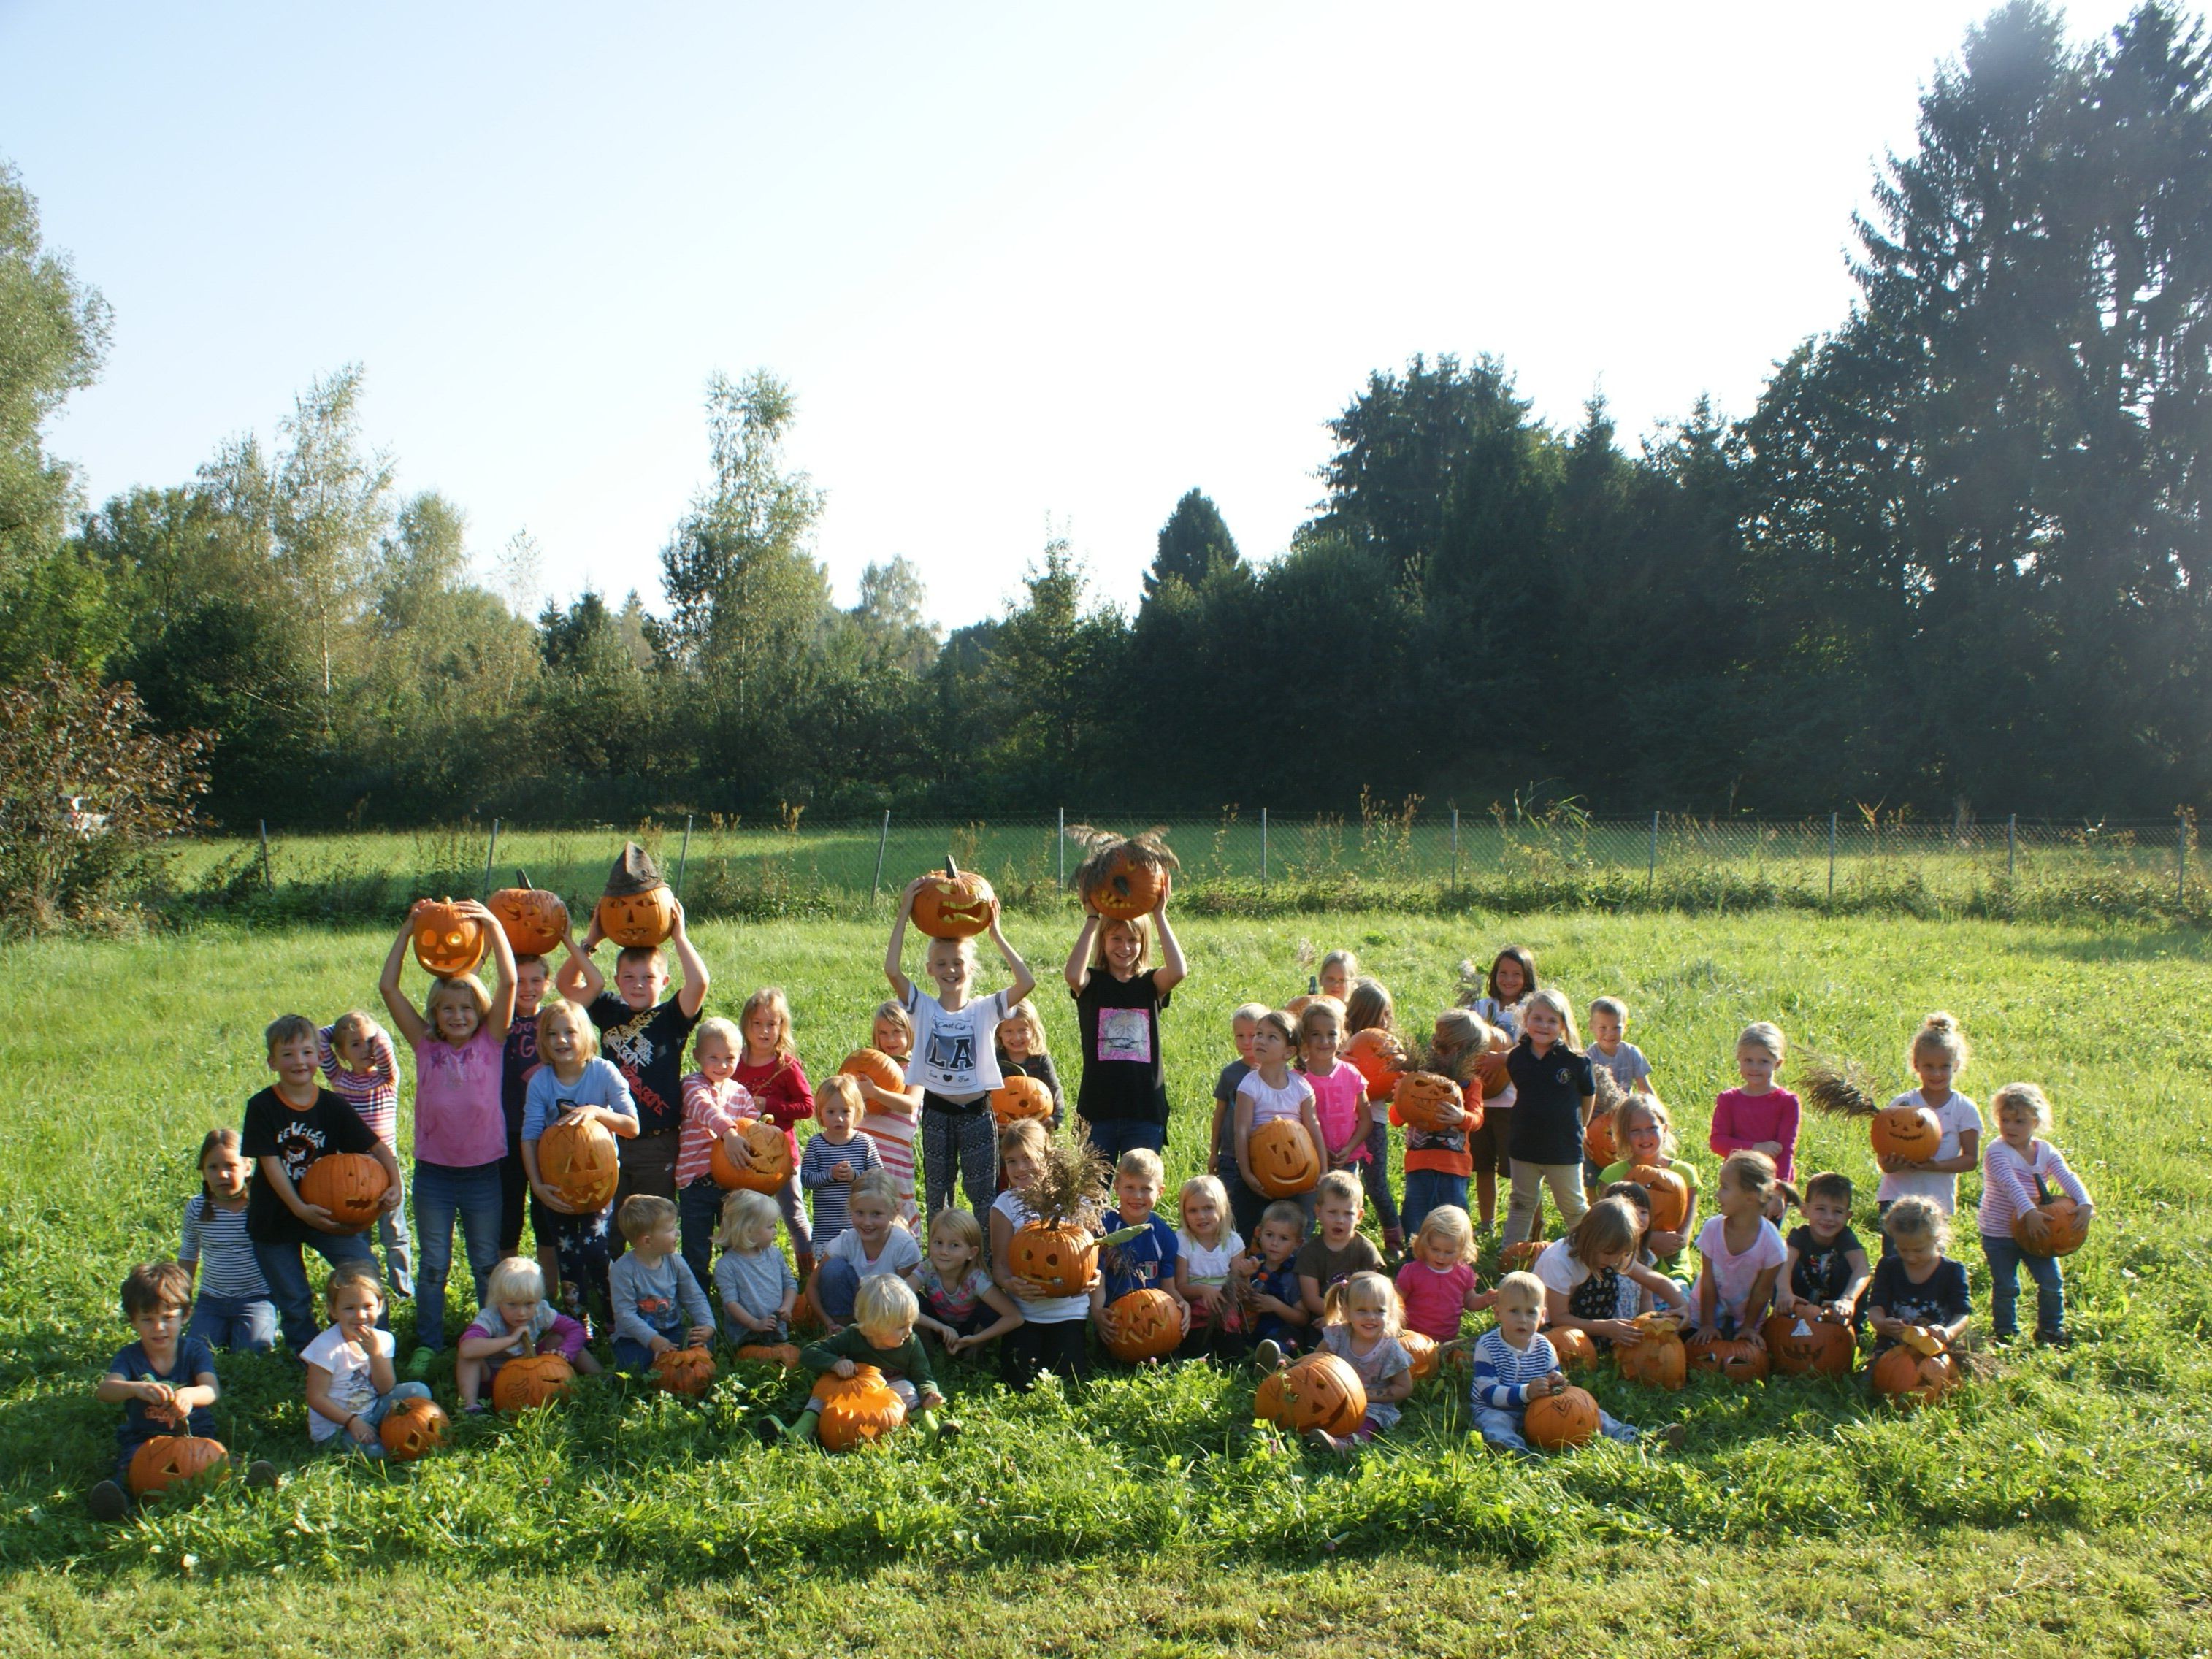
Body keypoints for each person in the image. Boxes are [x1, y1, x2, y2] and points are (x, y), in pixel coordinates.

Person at [378, 898, 517, 1368]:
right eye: (447, 1009)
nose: (457, 1016)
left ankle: (490, 1341)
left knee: (484, 1263)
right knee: (434, 1265)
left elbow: (510, 981)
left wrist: (494, 925)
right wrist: (408, 926)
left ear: (479, 1012)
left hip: (482, 1174)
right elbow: (388, 987)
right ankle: (429, 1342)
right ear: (434, 1014)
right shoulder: (424, 1043)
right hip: (435, 1174)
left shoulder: (491, 1041)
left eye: (465, 1008)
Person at [558, 844, 711, 1224]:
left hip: (658, 1140)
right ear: (616, 981)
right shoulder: (608, 1009)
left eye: (648, 978)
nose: (638, 985)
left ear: (665, 981)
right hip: (609, 1133)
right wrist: (593, 939)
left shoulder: (672, 1017)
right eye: (628, 977)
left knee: (655, 1223)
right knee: (610, 1223)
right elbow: (567, 986)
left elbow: (700, 982)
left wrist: (679, 936)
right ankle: (613, 1281)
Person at [242, 1014, 405, 1354]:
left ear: (319, 1056)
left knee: (362, 1269)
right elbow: (271, 1165)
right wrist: (299, 1209)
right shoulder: (262, 1107)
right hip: (276, 1215)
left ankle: (370, 1348)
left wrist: (395, 1183)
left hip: (329, 1212)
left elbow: (376, 1146)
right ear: (272, 1062)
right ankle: (309, 1358)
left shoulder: (333, 1105)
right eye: (287, 1054)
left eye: (306, 1052)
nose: (299, 1061)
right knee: (294, 1296)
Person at [887, 875, 1036, 1235]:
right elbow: (892, 970)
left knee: (982, 1194)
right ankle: (941, 1264)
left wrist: (996, 934)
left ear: (969, 968)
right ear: (930, 970)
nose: (950, 970)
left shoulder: (985, 1009)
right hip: (937, 1111)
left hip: (976, 1113)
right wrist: (905, 913)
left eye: (957, 963)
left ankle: (983, 1263)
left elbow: (1026, 982)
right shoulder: (921, 1006)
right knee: (938, 1194)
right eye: (941, 964)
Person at [87, 1262, 272, 1522]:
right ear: (133, 1320)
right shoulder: (129, 1357)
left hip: (196, 1437)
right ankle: (118, 1501)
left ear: (185, 1316)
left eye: (168, 1318)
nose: (159, 1328)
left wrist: (188, 1395)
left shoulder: (193, 1350)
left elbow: (211, 1390)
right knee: (131, 1467)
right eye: (148, 1320)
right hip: (146, 1439)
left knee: (221, 1462)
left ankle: (250, 1482)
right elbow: (105, 1390)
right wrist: (136, 1388)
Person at [520, 999, 639, 1330]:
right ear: (543, 1041)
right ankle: (577, 1324)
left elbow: (632, 1126)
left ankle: (617, 1319)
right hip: (555, 1183)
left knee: (598, 1251)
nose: (561, 1040)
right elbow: (529, 1136)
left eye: (569, 1032)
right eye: (552, 1034)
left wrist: (597, 1112)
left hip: (597, 1182)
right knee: (567, 1255)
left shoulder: (603, 1072)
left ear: (585, 1034)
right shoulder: (541, 1082)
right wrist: (538, 1186)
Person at [1471, 1271, 1679, 1455]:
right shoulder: (1488, 1346)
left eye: (1531, 1312)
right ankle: (1510, 1449)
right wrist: (1526, 1392)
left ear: (1542, 1316)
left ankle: (1636, 1437)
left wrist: (1558, 1381)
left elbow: (1556, 1380)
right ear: (1498, 1313)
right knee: (1495, 1422)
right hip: (1497, 1407)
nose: (1523, 1319)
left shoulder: (1544, 1346)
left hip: (1537, 1407)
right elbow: (1488, 1393)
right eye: (1514, 1311)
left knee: (1592, 1411)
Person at [1063, 880, 1187, 1163]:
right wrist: (1092, 919)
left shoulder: (1150, 983)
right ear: (1103, 942)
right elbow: (1072, 974)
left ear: (1143, 944)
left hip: (1144, 1111)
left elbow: (1179, 971)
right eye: (1116, 939)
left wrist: (1159, 915)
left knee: (1140, 1191)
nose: (1125, 947)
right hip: (1097, 1111)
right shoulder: (1092, 983)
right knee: (1091, 1199)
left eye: (1133, 940)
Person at [497, 929, 597, 1257]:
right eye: (519, 981)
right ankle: (508, 1288)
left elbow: (595, 984)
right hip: (509, 1129)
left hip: (552, 1133)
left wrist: (573, 940)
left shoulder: (554, 1020)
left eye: (535, 981)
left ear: (548, 983)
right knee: (508, 1214)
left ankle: (549, 1294)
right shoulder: (498, 1019)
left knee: (547, 1217)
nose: (528, 989)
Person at [764, 1274, 957, 1444]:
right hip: (853, 1391)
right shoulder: (853, 1336)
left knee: (908, 1388)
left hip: (890, 1394)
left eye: (910, 1324)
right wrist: (835, 1363)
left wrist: (929, 1393)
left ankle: (933, 1432)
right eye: (901, 1326)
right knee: (824, 1388)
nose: (908, 1331)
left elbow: (923, 1375)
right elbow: (809, 1353)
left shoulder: (911, 1343)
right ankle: (797, 1433)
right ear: (875, 1326)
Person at [1978, 1082, 2092, 1346]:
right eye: (2005, 1120)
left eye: (2019, 1121)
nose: (2011, 1127)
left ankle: (2051, 1331)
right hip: (2000, 1233)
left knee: (2052, 1281)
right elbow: (2010, 1184)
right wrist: (2028, 1211)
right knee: (2007, 1286)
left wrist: (2084, 1202)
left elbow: (2066, 1176)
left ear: (2035, 1121)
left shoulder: (2045, 1151)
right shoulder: (1997, 1151)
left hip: (2040, 1231)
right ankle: (2006, 1334)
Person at [990, 1119, 1093, 1389]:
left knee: (1069, 1381)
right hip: (1024, 1311)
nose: (1020, 1169)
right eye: (1011, 1161)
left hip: (1069, 1310)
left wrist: (1094, 1278)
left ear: (1047, 1155)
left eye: (1028, 1158)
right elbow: (999, 1266)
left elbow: (1091, 1259)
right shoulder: (1005, 1205)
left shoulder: (1075, 1202)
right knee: (1018, 1381)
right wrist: (1010, 1283)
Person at [316, 1011, 414, 1297]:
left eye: (371, 1042)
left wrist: (373, 1030)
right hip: (351, 1176)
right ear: (341, 1052)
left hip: (385, 1171)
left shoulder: (387, 1079)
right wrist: (338, 1029)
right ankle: (366, 1288)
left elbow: (385, 1049)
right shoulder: (339, 1078)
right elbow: (320, 1040)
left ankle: (403, 1290)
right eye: (356, 1045)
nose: (367, 1050)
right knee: (359, 1237)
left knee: (394, 1234)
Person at [1877, 1012, 1983, 1250]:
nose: (1936, 1074)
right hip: (1897, 1198)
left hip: (1936, 1201)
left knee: (1930, 1262)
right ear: (1916, 1065)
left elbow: (1970, 1159)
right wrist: (1897, 1163)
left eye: (1944, 1067)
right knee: (1894, 1261)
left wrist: (1936, 1167)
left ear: (1956, 1066)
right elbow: (1884, 1162)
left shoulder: (1964, 1109)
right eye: (1929, 1067)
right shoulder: (1903, 1105)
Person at [304, 1265, 435, 1457]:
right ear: (333, 1311)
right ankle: (370, 1441)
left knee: (420, 1391)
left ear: (380, 1306)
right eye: (349, 1308)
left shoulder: (383, 1339)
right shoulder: (326, 1347)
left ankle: (387, 1431)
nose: (360, 1315)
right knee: (379, 1453)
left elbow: (385, 1388)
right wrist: (352, 1422)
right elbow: (316, 1398)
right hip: (338, 1426)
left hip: (373, 1410)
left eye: (368, 1306)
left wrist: (376, 1354)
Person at [1501, 989, 1595, 1249]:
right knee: (1521, 1203)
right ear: (1526, 1019)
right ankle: (1510, 1257)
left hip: (1563, 1147)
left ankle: (1593, 1255)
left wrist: (1582, 1126)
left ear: (1563, 1025)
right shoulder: (1517, 1057)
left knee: (1574, 1207)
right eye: (1537, 1018)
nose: (1544, 1025)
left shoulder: (1576, 1061)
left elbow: (1588, 1095)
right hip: (1524, 1144)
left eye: (1552, 1020)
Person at [730, 988, 816, 1273]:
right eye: (757, 1023)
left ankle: (808, 1271)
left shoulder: (786, 1066)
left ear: (782, 1027)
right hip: (743, 1156)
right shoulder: (735, 1062)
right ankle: (747, 1269)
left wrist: (771, 1104)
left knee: (793, 1213)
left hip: (780, 1157)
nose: (764, 1031)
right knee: (745, 1214)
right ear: (746, 1025)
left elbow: (807, 1106)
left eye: (772, 1024)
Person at [1536, 1195, 1691, 1351]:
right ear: (1590, 1239)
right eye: (1610, 1253)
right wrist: (1605, 1328)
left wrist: (1681, 1305)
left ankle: (1600, 1340)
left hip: (1588, 1319)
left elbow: (1656, 1282)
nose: (1615, 1260)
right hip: (1550, 1327)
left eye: (1623, 1254)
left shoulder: (1613, 1253)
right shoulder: (1559, 1261)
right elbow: (1558, 1318)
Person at [675, 1016, 757, 1290]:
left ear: (741, 1056)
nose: (722, 1066)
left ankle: (731, 1292)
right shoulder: (692, 1085)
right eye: (713, 1057)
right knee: (696, 1246)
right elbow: (704, 1109)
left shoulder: (741, 1093)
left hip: (732, 1184)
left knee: (733, 1243)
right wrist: (729, 1133)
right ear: (697, 1055)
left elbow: (754, 1129)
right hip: (696, 1183)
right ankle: (695, 1295)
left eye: (729, 1058)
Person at [177, 1128, 277, 1353]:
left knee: (253, 1352)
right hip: (211, 1300)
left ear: (247, 1167)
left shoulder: (259, 1206)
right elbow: (188, 1255)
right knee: (197, 1351)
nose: (222, 1175)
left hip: (255, 1297)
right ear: (203, 1172)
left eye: (231, 1166)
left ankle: (262, 1325)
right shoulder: (196, 1208)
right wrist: (181, 1297)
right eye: (213, 1167)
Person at [455, 1256, 598, 1411]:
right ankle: (470, 1407)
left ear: (537, 1300)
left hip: (532, 1370)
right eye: (512, 1304)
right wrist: (510, 1339)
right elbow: (467, 1348)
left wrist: (565, 1353)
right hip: (493, 1377)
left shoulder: (540, 1311)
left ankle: (601, 1378)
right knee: (469, 1357)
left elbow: (575, 1330)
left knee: (559, 1338)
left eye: (529, 1304)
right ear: (498, 1300)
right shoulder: (490, 1317)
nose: (522, 1313)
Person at [1293, 1271, 1415, 1453]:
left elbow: (1404, 1388)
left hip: (1370, 1405)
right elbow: (1314, 1362)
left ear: (1390, 1313)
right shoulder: (1337, 1335)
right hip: (1333, 1396)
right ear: (1347, 1311)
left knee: (1366, 1425)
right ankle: (1282, 1371)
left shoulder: (1390, 1349)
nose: (1371, 1317)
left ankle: (1347, 1446)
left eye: (1379, 1310)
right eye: (1362, 1310)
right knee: (1307, 1407)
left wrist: (1364, 1395)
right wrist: (1297, 1368)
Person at [1404, 1008, 1496, 1237]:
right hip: (1419, 1162)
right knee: (1416, 1214)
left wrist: (1461, 1117)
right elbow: (1397, 1118)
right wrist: (1401, 1098)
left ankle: (1453, 1260)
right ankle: (1414, 1257)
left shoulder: (1470, 1084)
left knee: (1452, 1217)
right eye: (1441, 1047)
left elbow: (1477, 1118)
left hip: (1454, 1166)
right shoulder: (1420, 1078)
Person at [1299, 999, 1381, 1250]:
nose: (1324, 1042)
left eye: (1331, 1034)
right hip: (1311, 1162)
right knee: (1309, 1217)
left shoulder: (1351, 1074)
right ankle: (1305, 1265)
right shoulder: (1299, 1078)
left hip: (1346, 1159)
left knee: (1343, 1218)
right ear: (1305, 1039)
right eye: (1316, 1035)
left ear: (1342, 1036)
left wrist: (1349, 1148)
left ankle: (1344, 1265)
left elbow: (1366, 1119)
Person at [605, 1195, 716, 1373]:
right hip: (634, 1338)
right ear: (647, 1241)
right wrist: (653, 1340)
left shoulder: (675, 1261)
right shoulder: (623, 1270)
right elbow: (625, 1314)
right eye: (671, 1229)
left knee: (702, 1343)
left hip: (673, 1330)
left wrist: (707, 1324)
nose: (677, 1233)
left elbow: (694, 1297)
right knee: (632, 1365)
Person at [1233, 1008, 1325, 1221]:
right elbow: (1241, 1130)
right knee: (1252, 1225)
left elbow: (1313, 1127)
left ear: (1289, 1052)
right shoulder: (1249, 1085)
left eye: (1271, 1037)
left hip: (1298, 1165)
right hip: (1260, 1168)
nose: (1260, 1040)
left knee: (1295, 1225)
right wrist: (1247, 1173)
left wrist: (1322, 1170)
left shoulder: (1301, 1087)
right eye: (1260, 1034)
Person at [1093, 1149, 1189, 1352]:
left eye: (1146, 1189)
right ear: (1116, 1187)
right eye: (1130, 1187)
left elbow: (1168, 1287)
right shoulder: (1104, 1228)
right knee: (1109, 1350)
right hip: (1115, 1317)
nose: (1137, 1196)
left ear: (1160, 1192)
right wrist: (1097, 1312)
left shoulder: (1164, 1236)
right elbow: (1098, 1278)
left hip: (1152, 1313)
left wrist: (1182, 1303)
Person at [1593, 1094, 1702, 1273]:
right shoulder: (1611, 1175)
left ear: (1665, 1129)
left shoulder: (1685, 1174)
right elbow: (1606, 1232)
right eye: (1635, 1130)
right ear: (1623, 1134)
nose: (1645, 1137)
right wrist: (1650, 1239)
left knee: (1679, 1297)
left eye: (1652, 1128)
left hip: (1673, 1268)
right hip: (1623, 1267)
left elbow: (1683, 1238)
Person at [808, 1169, 923, 1331]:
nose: (867, 1222)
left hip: (887, 1318)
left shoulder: (903, 1247)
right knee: (833, 1268)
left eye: (876, 1214)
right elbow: (812, 1286)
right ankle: (842, 1331)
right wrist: (828, 1323)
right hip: (847, 1313)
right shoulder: (846, 1242)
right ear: (851, 1210)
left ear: (894, 1211)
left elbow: (904, 1299)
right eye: (860, 1213)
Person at [1691, 1151, 1787, 1337]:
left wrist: (1748, 1328)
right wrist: (1707, 1325)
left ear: (1750, 1197)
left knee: (1745, 1360)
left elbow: (1762, 1292)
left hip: (1745, 1323)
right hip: (1703, 1315)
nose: (1718, 1194)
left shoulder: (1772, 1244)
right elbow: (1708, 1282)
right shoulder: (1713, 1228)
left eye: (1725, 1187)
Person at [1342, 977, 1406, 1249]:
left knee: (1376, 1182)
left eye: (1388, 1015)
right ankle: (1345, 1237)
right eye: (1381, 1016)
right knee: (1346, 1180)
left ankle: (1394, 1237)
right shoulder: (1342, 1045)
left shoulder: (1390, 1048)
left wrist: (1397, 1084)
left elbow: (1396, 1089)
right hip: (1342, 1121)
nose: (1385, 1021)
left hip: (1374, 1121)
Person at [1865, 1196, 1972, 1355]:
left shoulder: (1952, 1271)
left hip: (1935, 1351)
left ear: (1936, 1239)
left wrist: (1948, 1332)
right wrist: (1881, 1323)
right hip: (1892, 1348)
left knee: (1934, 1377)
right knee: (1880, 1377)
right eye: (1903, 1250)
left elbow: (1962, 1314)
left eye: (1918, 1250)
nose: (1910, 1257)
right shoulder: (1889, 1267)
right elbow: (1875, 1306)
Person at [913, 1206, 1023, 1355]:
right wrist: (938, 1327)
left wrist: (976, 1339)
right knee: (911, 1300)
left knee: (990, 1310)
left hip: (969, 1332)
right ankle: (929, 1352)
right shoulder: (928, 1268)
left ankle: (972, 1354)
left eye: (954, 1245)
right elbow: (898, 1298)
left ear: (972, 1253)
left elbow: (1015, 1317)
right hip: (937, 1327)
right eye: (938, 1242)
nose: (944, 1251)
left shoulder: (976, 1279)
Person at [855, 1000, 925, 1225]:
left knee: (898, 1202)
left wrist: (874, 1092)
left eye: (897, 1032)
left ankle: (908, 1252)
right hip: (864, 1147)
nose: (891, 1040)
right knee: (866, 1201)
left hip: (895, 1151)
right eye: (883, 1033)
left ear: (910, 1032)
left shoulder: (915, 1067)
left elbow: (911, 1103)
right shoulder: (868, 1065)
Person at [1710, 1020, 1801, 1184]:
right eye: (1748, 1060)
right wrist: (1755, 1148)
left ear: (1778, 1063)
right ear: (1739, 1059)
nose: (1754, 1067)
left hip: (1771, 1182)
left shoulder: (1787, 1102)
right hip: (1737, 1181)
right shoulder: (1728, 1099)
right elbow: (1718, 1142)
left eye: (1763, 1061)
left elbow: (1786, 1150)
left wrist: (1780, 1189)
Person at [1208, 1003, 1271, 1238]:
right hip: (1231, 1156)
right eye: (1240, 1036)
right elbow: (1220, 1113)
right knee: (1231, 1210)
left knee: (1261, 1212)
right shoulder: (1231, 1074)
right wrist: (1214, 1152)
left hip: (1264, 1158)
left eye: (1253, 1035)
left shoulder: (1274, 1073)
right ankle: (1230, 1254)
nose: (1247, 1042)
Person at [802, 1076, 885, 1252]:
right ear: (820, 1113)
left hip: (861, 1226)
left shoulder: (864, 1142)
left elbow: (879, 1178)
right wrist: (829, 1174)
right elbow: (806, 1180)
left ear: (857, 1111)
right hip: (827, 1228)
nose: (838, 1118)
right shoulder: (816, 1144)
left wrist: (855, 1176)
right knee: (831, 1270)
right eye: (831, 1112)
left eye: (845, 1111)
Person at [1292, 1169, 1382, 1330]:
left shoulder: (1366, 1249)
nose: (1340, 1220)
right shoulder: (1310, 1252)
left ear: (1360, 1216)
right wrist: (1334, 1317)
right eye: (1332, 1212)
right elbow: (1311, 1298)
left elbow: (1374, 1293)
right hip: (1322, 1316)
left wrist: (1348, 1319)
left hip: (1362, 1319)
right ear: (1318, 1212)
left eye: (1348, 1214)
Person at [713, 1188, 801, 1350]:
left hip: (776, 1327)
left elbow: (790, 1284)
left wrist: (787, 1307)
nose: (775, 1231)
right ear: (748, 1230)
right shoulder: (727, 1265)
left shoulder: (774, 1255)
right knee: (753, 1357)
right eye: (770, 1227)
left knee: (782, 1355)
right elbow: (731, 1303)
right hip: (745, 1334)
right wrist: (754, 1323)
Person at [1778, 1171, 1872, 1321]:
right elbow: (1786, 1263)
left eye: (1837, 1211)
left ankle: (1850, 1323)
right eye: (1821, 1209)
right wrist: (1784, 1291)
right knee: (1781, 1261)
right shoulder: (1800, 1236)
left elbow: (1862, 1270)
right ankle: (1785, 1312)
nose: (1829, 1218)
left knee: (1854, 1271)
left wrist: (1848, 1299)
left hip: (1835, 1304)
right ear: (1805, 1210)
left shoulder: (1845, 1238)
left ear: (1848, 1216)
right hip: (1801, 1302)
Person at [1394, 1205, 1493, 1345]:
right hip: (1413, 1338)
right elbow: (1396, 1301)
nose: (1441, 1256)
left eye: (1449, 1252)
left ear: (1462, 1249)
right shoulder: (1413, 1271)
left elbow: (1470, 1301)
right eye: (1435, 1249)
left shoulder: (1463, 1273)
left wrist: (1484, 1300)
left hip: (1448, 1340)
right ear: (1424, 1243)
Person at [1173, 1173, 1244, 1358]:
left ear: (1222, 1208)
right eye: (1193, 1210)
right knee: (1196, 1352)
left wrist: (1244, 1274)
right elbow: (1180, 1287)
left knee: (1233, 1354)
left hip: (1224, 1307)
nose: (1201, 1216)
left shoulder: (1233, 1243)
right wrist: (1204, 1291)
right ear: (1184, 1212)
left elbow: (1239, 1288)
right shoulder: (1182, 1241)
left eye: (1208, 1208)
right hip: (1194, 1308)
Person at [1231, 1200, 1311, 1358]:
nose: (1274, 1243)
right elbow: (1244, 1302)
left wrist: (1276, 1306)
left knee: (1287, 1338)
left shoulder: (1294, 1274)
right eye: (1269, 1235)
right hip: (1251, 1328)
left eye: (1284, 1238)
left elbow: (1302, 1319)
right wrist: (1246, 1277)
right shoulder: (1254, 1263)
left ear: (1298, 1243)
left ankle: (1272, 1357)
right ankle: (1248, 1354)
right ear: (1259, 1233)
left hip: (1281, 1328)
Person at [994, 998, 1065, 1128]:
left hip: (1036, 1129)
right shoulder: (995, 1059)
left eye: (1023, 1030)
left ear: (1033, 1030)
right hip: (1001, 1128)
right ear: (999, 1033)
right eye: (1009, 1031)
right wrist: (991, 1121)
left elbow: (1054, 1088)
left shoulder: (1040, 1059)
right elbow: (985, 1093)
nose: (1017, 1037)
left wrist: (1056, 1117)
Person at [1585, 997, 1655, 1096]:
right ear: (1592, 1026)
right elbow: (1585, 1094)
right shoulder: (1589, 1058)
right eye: (1603, 1028)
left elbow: (1645, 1089)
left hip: (1625, 1107)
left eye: (1616, 1028)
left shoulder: (1632, 1053)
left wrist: (1654, 1109)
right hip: (1597, 1110)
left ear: (1625, 1027)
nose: (1609, 1033)